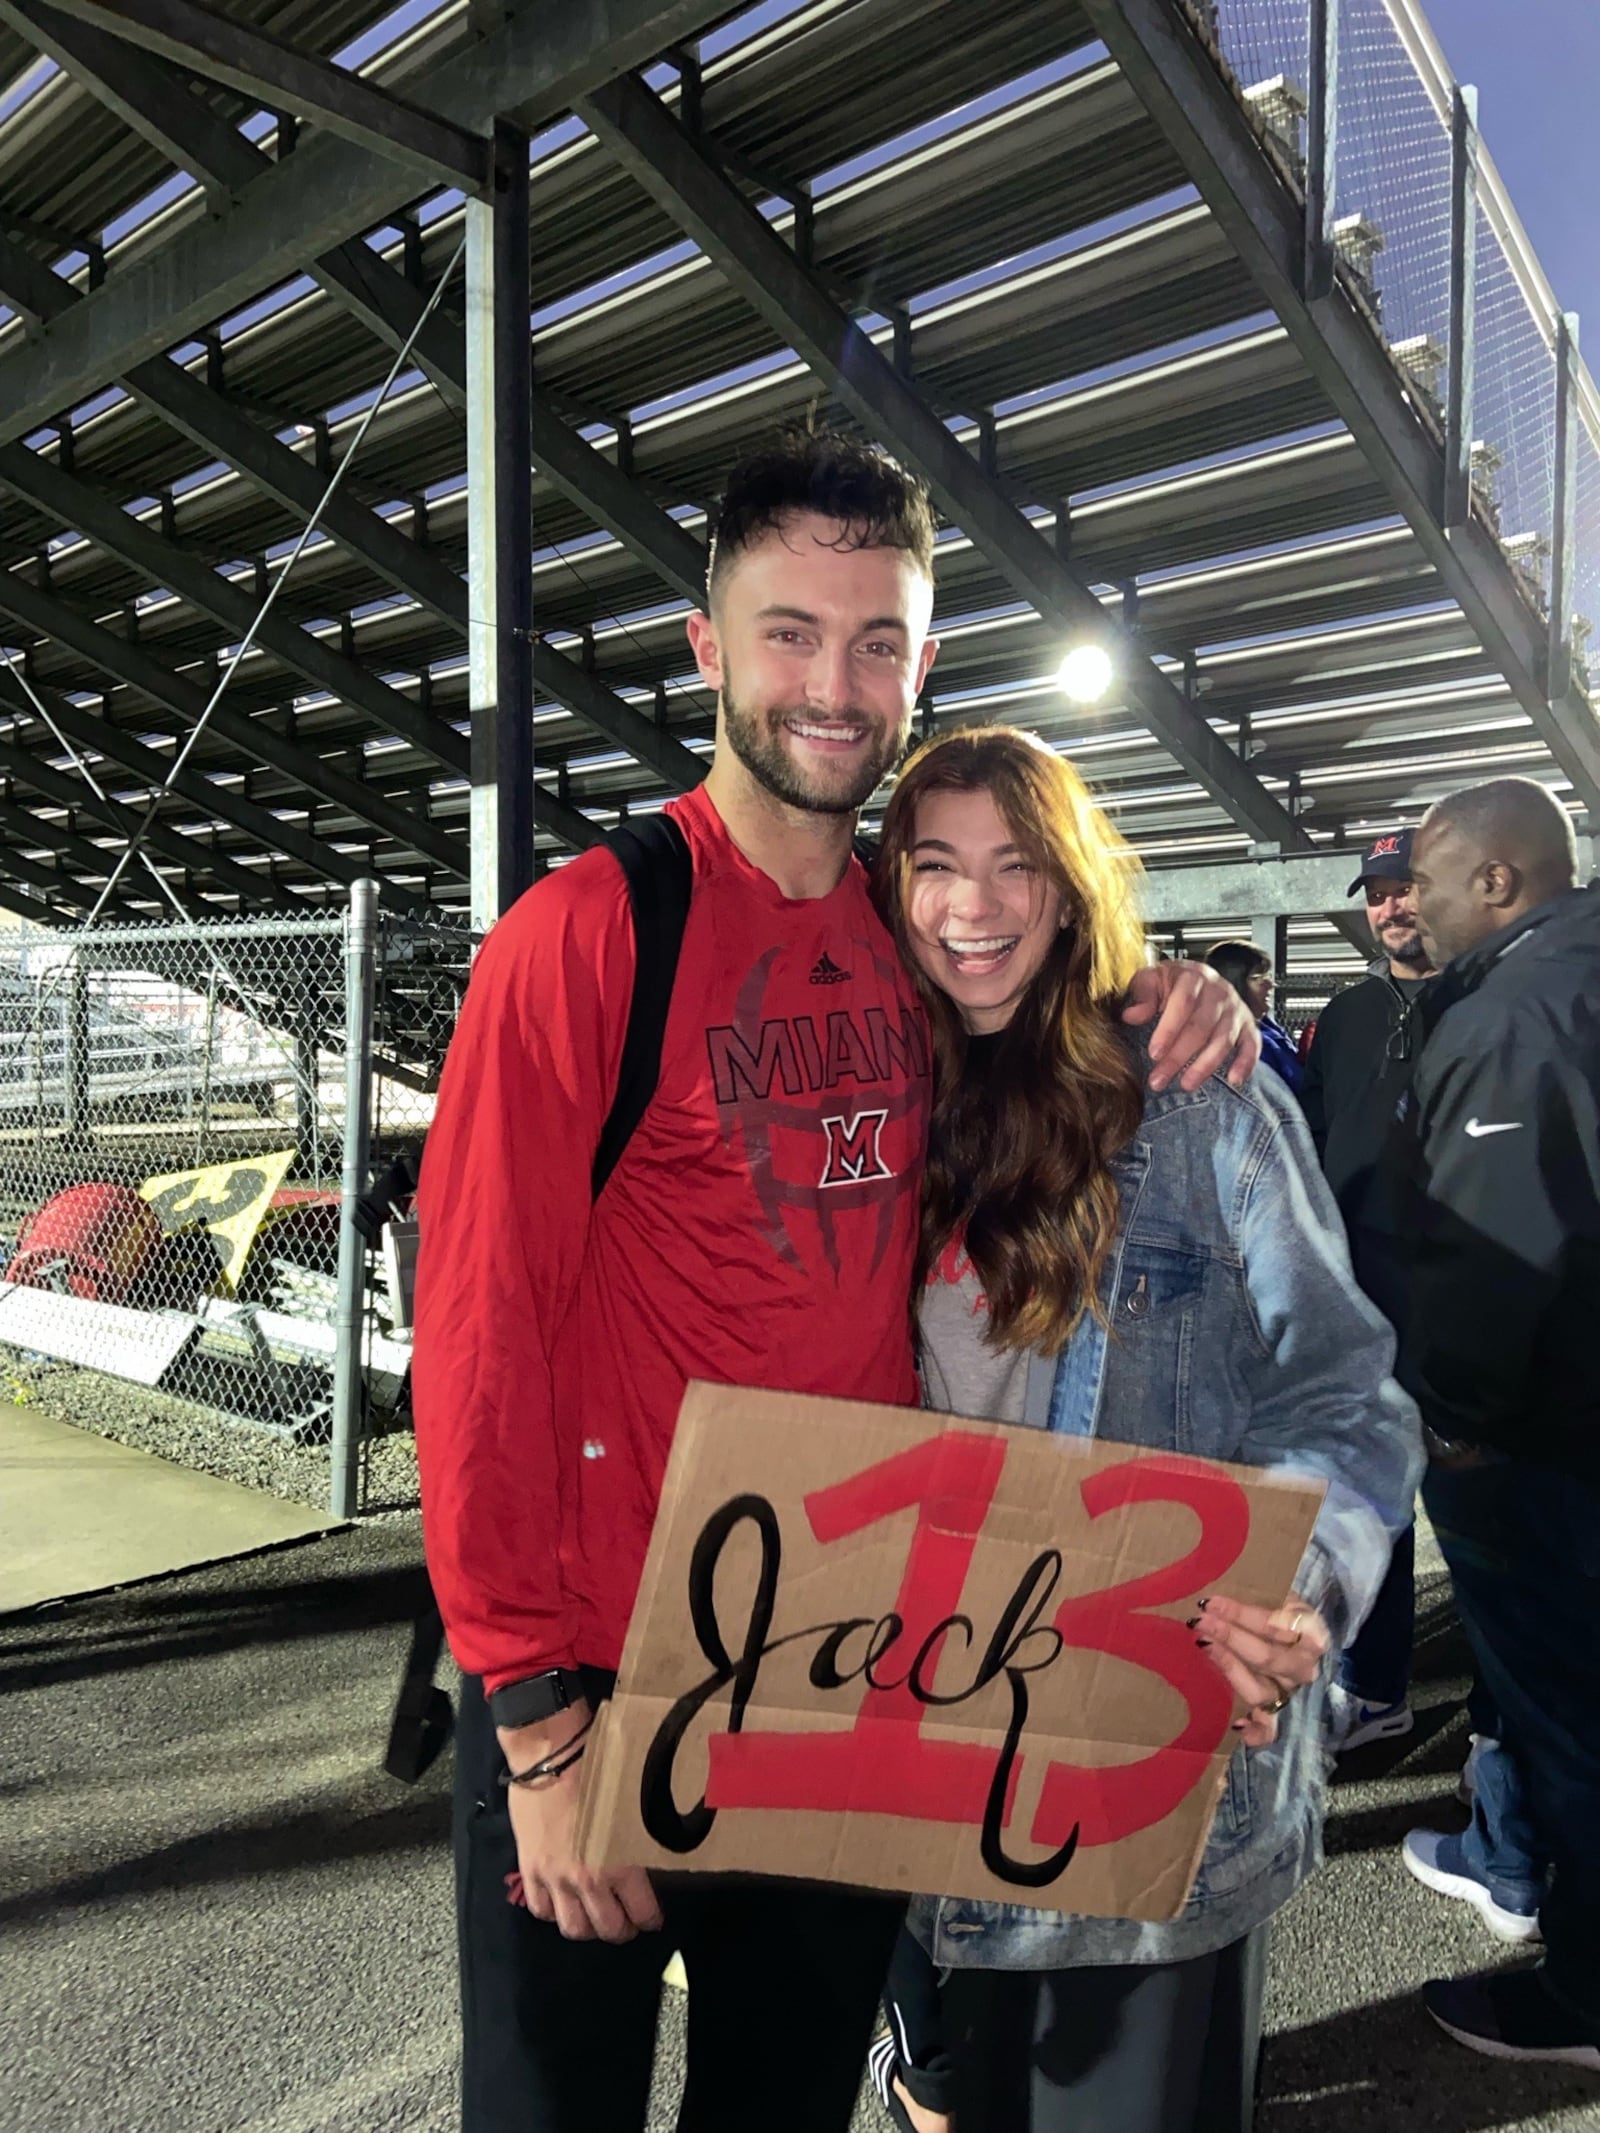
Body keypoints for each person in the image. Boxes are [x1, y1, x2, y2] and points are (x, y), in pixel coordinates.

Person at [409, 429, 1259, 2133]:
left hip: (837, 1657)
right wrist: (533, 1725)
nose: (834, 683)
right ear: (710, 648)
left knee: (784, 2106)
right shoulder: (591, 933)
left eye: (879, 640)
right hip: (601, 1673)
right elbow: (477, 1339)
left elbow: (1049, 985)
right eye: (790, 632)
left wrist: (1184, 999)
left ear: (924, 661)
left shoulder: (909, 933)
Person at [864, 727, 1421, 2133]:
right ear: (891, 890)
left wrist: (1302, 1583)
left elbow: (1348, 1392)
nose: (974, 908)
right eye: (937, 868)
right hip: (916, 1748)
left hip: (1143, 1761)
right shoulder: (872, 1109)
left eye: (1015, 866)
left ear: (1069, 889)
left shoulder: (1192, 1103)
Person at [1393, 777, 1600, 2070]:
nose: (1407, 901)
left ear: (1502, 881)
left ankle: (1583, 1994)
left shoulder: (1519, 1010)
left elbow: (1490, 1256)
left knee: (1568, 1720)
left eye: (1427, 874)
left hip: (1540, 1446)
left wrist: (1453, 1426)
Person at [1300, 831, 1439, 1753]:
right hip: (1360, 1298)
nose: (1390, 907)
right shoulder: (1344, 1014)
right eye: (1377, 893)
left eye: (1406, 888)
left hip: (1466, 1306)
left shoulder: (1488, 1000)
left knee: (1485, 1523)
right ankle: (1378, 1684)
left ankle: (1505, 1738)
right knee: (1369, 1498)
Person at [1204, 940, 1303, 1095]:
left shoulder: (1267, 1028)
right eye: (1258, 977)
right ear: (1233, 983)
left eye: (1267, 975)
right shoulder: (1235, 1044)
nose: (1270, 984)